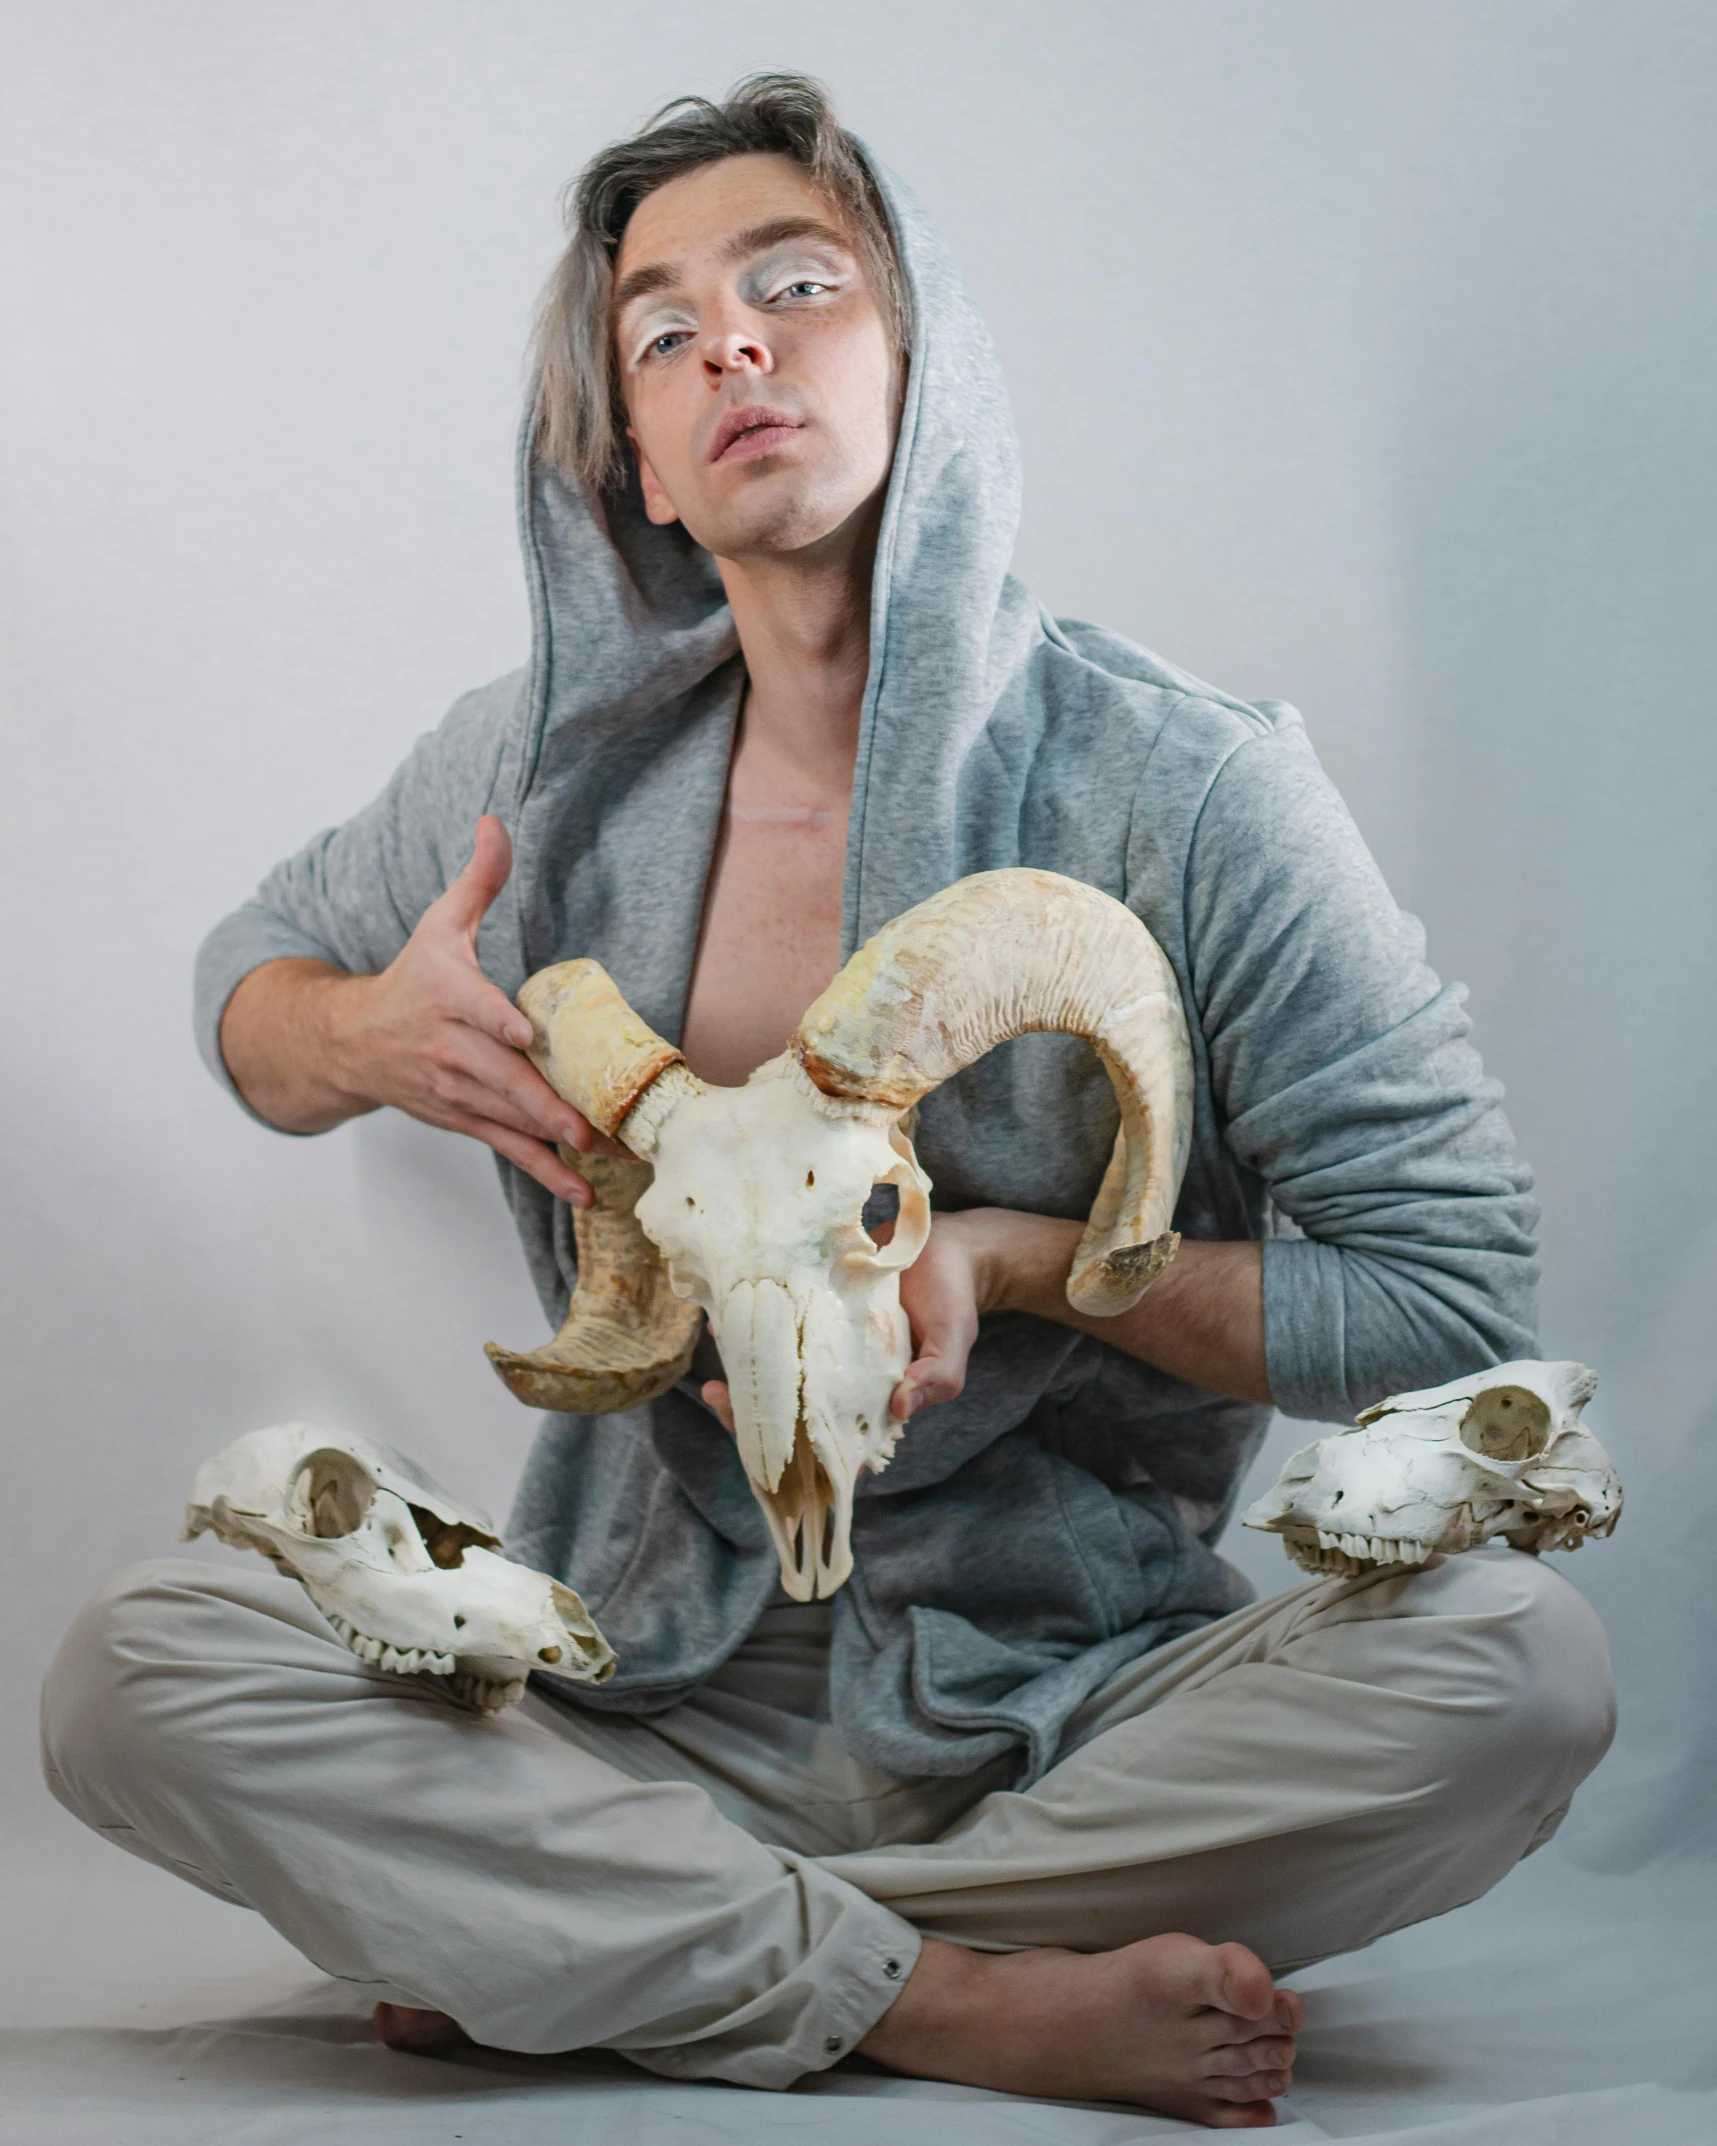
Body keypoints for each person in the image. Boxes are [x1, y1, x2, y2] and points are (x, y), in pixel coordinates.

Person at [39, 75, 1614, 2128]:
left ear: (926, 354)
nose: (736, 349)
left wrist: (1029, 1260)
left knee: (1520, 1662)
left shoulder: (1191, 788)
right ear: (643, 475)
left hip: (1069, 1702)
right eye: (663, 333)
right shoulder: (533, 775)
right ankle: (936, 1991)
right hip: (634, 1697)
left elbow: (1454, 1295)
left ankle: (605, 1945)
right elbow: (243, 989)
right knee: (137, 1668)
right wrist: (360, 1038)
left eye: (799, 286)